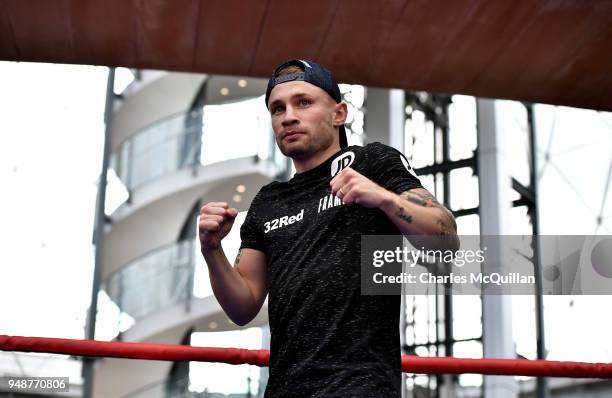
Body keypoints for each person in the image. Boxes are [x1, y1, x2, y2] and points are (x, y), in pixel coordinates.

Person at [199, 59, 458, 397]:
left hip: (360, 386)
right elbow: (243, 306)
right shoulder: (268, 200)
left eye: (303, 102)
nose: (288, 116)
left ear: (339, 114)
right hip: (285, 388)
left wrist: (382, 198)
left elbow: (446, 238)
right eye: (278, 109)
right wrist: (211, 250)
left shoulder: (373, 163)